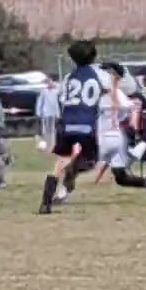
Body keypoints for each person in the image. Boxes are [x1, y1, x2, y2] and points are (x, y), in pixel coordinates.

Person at [39, 40, 110, 214]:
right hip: (87, 123)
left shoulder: (69, 77)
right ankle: (72, 172)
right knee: (91, 159)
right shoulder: (100, 74)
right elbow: (108, 89)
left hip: (67, 122)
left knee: (61, 160)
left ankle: (45, 202)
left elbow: (62, 97)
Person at [92, 62, 146, 203]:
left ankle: (61, 189)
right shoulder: (111, 93)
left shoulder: (120, 94)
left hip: (111, 139)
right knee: (121, 177)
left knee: (80, 162)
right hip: (112, 138)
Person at [35, 77, 60, 151]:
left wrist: (57, 113)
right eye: (49, 83)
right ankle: (45, 144)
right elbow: (40, 102)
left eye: (51, 82)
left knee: (52, 130)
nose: (50, 84)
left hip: (53, 113)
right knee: (45, 130)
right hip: (45, 113)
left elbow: (56, 104)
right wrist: (38, 112)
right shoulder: (44, 92)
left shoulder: (55, 91)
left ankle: (52, 145)